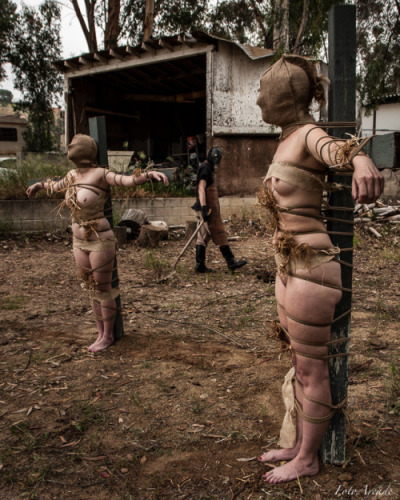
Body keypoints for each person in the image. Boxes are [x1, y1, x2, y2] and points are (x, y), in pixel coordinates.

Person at [255, 56, 384, 483]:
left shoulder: (309, 133)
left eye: (262, 92)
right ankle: (298, 444)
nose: (257, 100)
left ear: (283, 96)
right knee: (297, 360)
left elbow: (334, 151)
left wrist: (361, 161)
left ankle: (309, 459)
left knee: (313, 369)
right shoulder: (286, 138)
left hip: (312, 268)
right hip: (288, 266)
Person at [26, 134, 169, 353]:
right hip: (78, 240)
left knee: (103, 289)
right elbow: (54, 186)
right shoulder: (72, 175)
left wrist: (148, 175)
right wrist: (39, 185)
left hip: (99, 240)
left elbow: (127, 180)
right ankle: (99, 332)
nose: (69, 149)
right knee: (91, 288)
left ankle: (108, 335)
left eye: (73, 146)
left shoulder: (101, 173)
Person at [191, 146, 247, 273]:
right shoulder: (205, 168)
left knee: (203, 238)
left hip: (209, 209)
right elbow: (201, 188)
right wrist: (204, 208)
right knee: (218, 232)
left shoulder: (209, 167)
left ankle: (200, 266)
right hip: (205, 209)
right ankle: (231, 262)